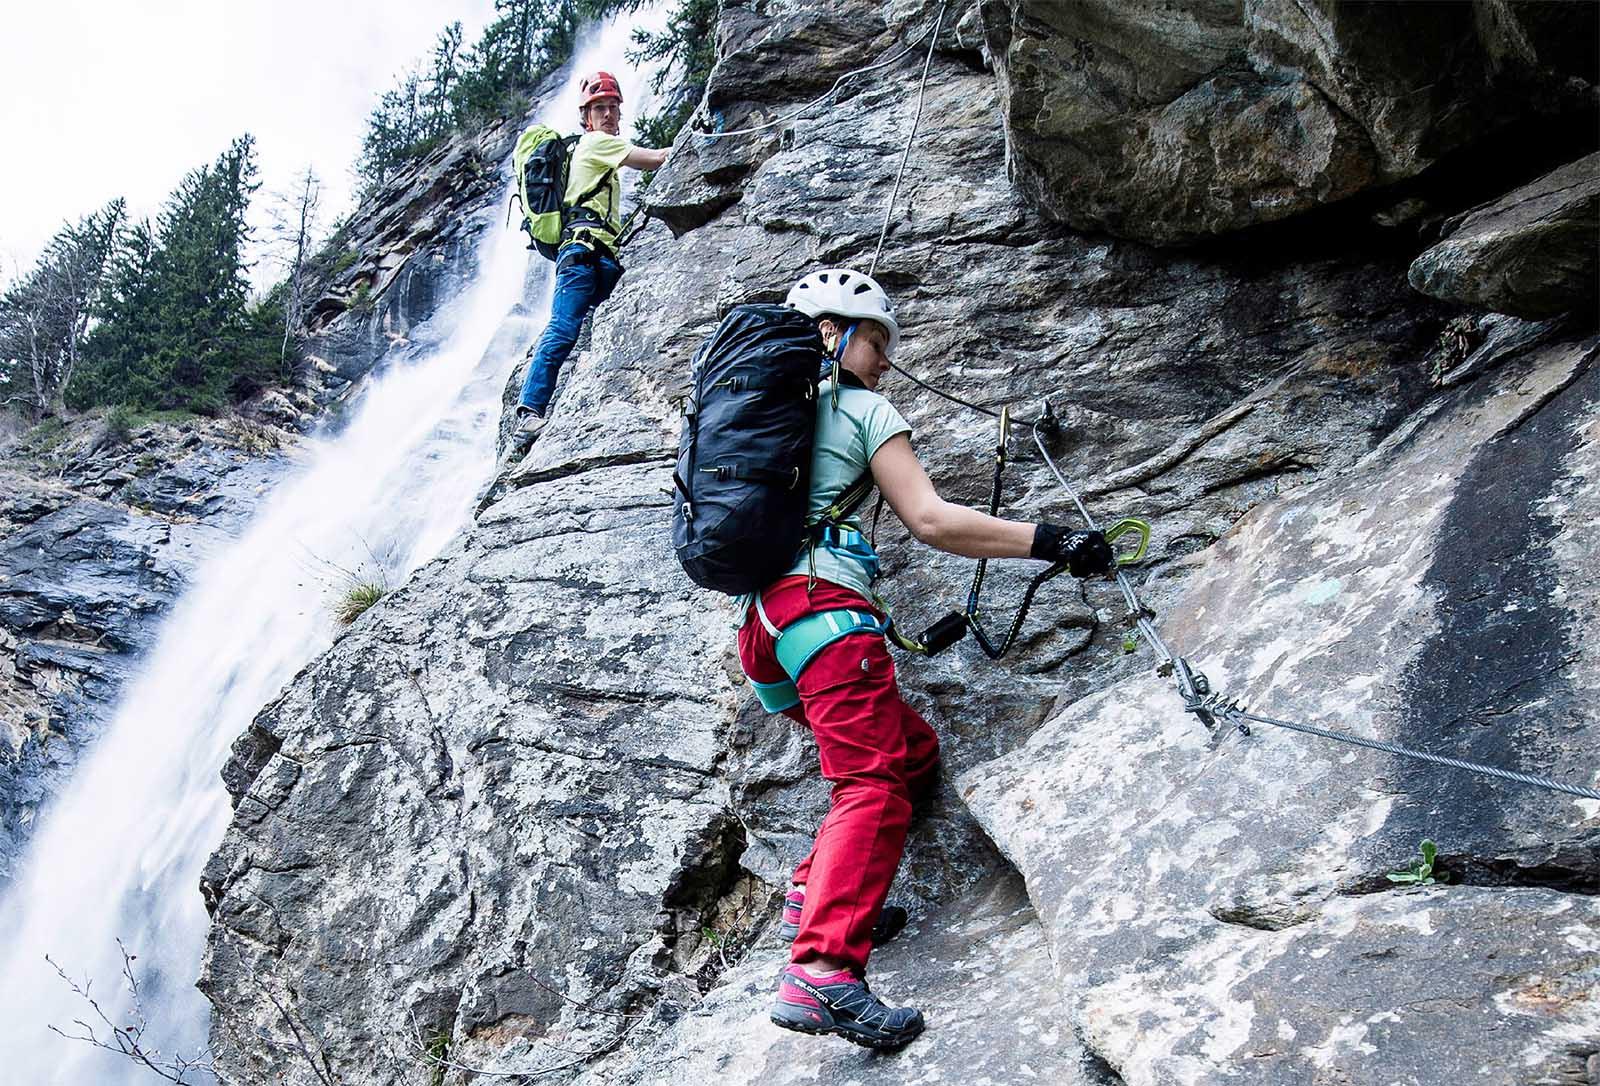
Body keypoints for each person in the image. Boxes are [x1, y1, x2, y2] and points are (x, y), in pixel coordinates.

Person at [746, 268, 1115, 1050]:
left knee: (908, 755)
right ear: (835, 334)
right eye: (879, 340)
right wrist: (1053, 541)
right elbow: (932, 521)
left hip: (765, 629)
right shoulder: (860, 407)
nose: (887, 360)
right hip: (823, 614)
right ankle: (822, 971)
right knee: (871, 785)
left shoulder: (755, 414)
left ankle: (813, 890)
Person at [515, 71, 669, 439]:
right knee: (564, 327)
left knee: (596, 329)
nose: (608, 115)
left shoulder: (590, 149)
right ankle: (528, 411)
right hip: (582, 254)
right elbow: (656, 159)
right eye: (600, 108)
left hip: (600, 255)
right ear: (586, 116)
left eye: (614, 107)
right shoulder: (597, 143)